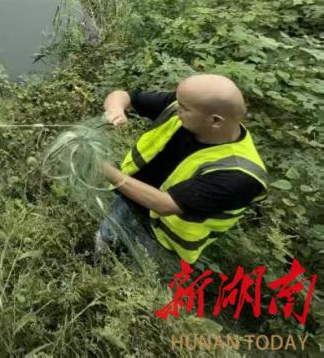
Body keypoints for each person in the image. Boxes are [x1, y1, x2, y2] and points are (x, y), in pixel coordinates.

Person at [96, 73, 268, 265]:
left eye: (183, 108)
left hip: (161, 239)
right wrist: (116, 110)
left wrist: (107, 171)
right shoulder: (184, 107)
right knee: (106, 242)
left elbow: (165, 204)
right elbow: (123, 96)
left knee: (132, 269)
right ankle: (101, 256)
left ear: (215, 120)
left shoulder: (239, 175)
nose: (176, 108)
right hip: (129, 199)